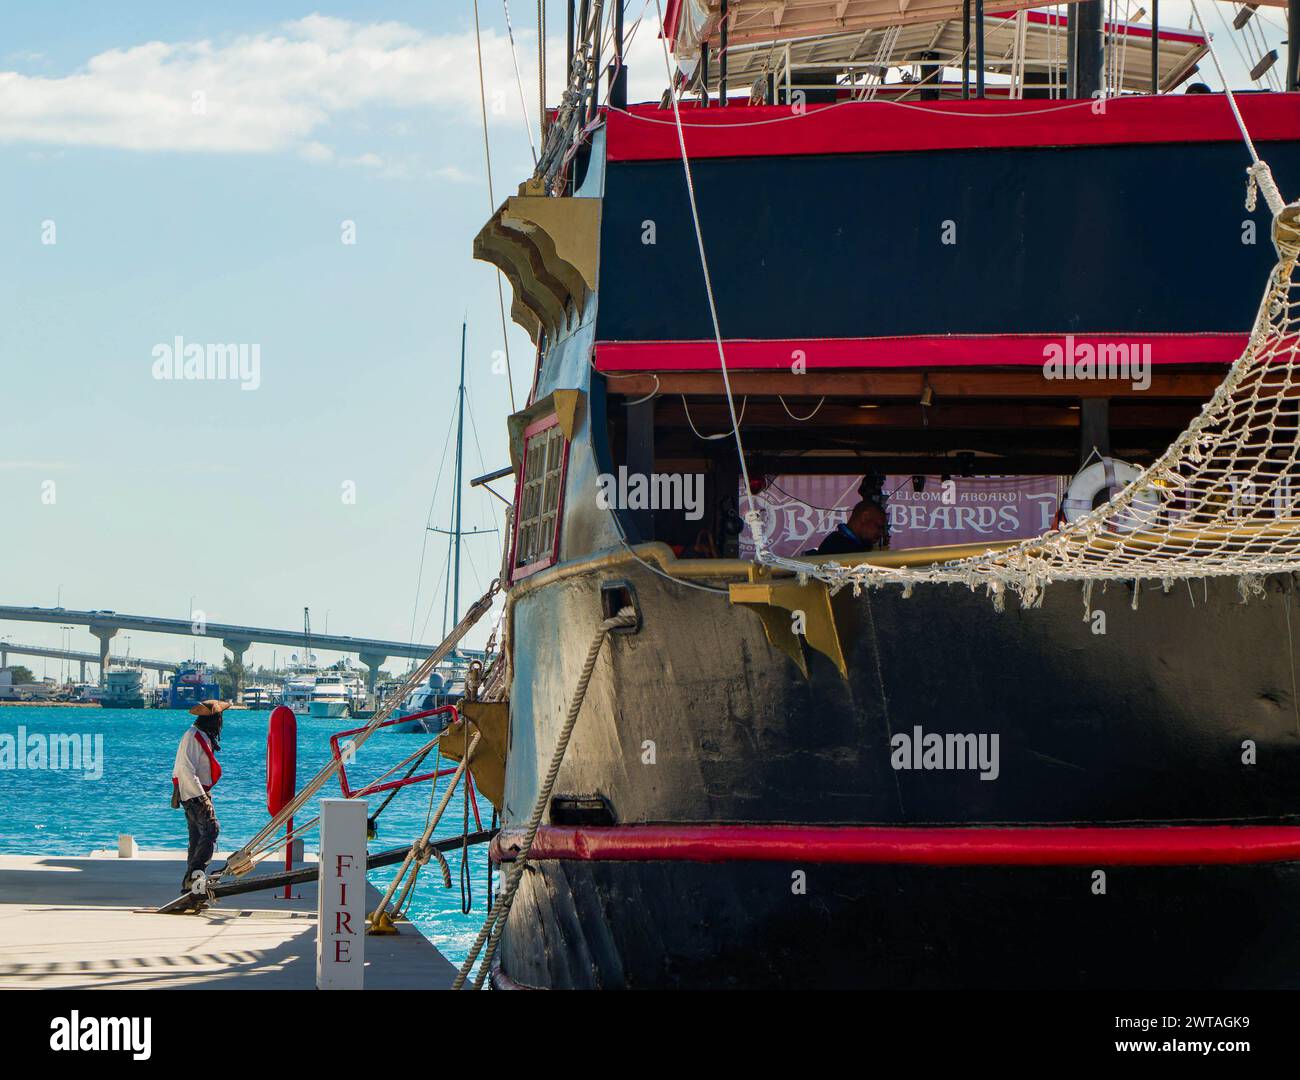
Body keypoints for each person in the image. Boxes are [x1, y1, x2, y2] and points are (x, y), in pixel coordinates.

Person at [172, 699, 229, 895]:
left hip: (195, 792)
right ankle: (196, 874)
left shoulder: (200, 735)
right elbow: (186, 770)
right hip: (194, 794)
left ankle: (191, 880)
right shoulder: (193, 736)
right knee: (212, 828)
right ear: (213, 719)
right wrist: (203, 799)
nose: (221, 722)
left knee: (197, 836)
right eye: (220, 718)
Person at [812, 500, 888, 555]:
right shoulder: (838, 546)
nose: (881, 533)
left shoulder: (839, 540)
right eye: (878, 526)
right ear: (865, 517)